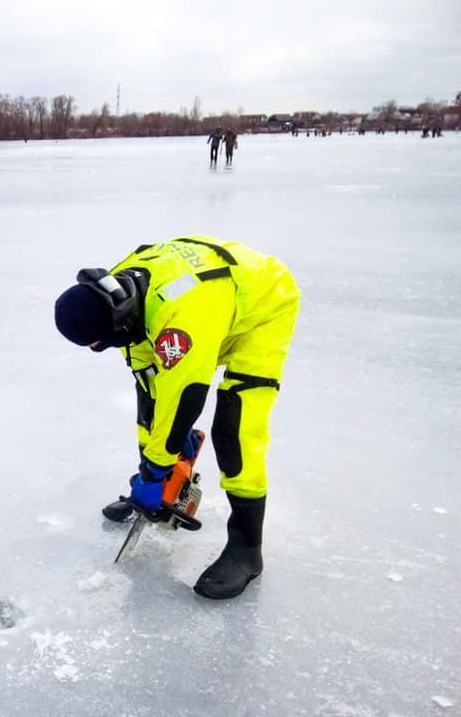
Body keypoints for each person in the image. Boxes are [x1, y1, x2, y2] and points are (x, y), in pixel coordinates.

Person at [53, 236, 300, 599]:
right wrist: (153, 467)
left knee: (236, 424)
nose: (100, 349)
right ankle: (163, 479)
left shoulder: (179, 316)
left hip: (262, 303)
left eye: (100, 344)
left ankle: (247, 549)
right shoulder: (122, 292)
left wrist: (157, 468)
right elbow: (149, 382)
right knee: (156, 405)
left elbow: (185, 397)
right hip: (213, 298)